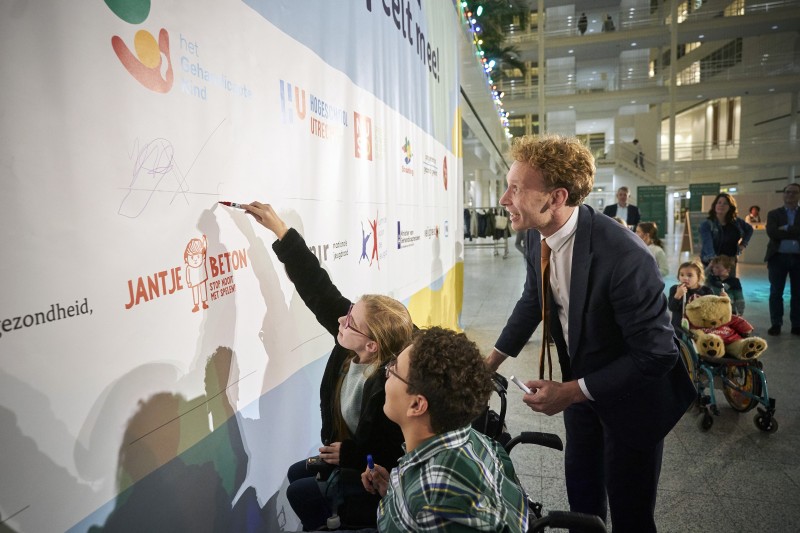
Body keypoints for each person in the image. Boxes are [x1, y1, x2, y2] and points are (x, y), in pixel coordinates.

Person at [484, 134, 695, 533]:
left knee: (631, 513)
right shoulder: (534, 234)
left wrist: (572, 391)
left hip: (634, 397)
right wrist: (489, 362)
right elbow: (534, 300)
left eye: (516, 188)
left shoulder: (624, 256)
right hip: (581, 390)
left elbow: (658, 353)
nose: (503, 199)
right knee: (583, 503)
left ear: (556, 197)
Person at [242, 202, 413, 531]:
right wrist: (280, 230)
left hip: (373, 477)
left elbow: (391, 455)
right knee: (297, 477)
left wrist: (351, 455)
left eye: (350, 320)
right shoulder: (350, 347)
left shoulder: (394, 386)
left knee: (301, 491)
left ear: (372, 345)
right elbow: (317, 287)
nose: (340, 319)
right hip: (346, 456)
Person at [362, 327, 529, 532]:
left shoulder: (436, 500)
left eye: (393, 370)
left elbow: (433, 502)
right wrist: (395, 490)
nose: (386, 374)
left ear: (416, 405)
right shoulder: (474, 439)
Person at [765, 183, 800, 336]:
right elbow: (772, 233)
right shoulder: (774, 214)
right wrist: (795, 231)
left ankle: (797, 324)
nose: (790, 195)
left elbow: (780, 232)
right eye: (787, 192)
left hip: (798, 259)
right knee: (775, 292)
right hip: (777, 258)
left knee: (798, 293)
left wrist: (785, 228)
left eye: (794, 193)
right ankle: (776, 324)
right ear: (783, 194)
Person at [698, 192, 753, 271]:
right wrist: (714, 260)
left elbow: (749, 229)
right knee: (712, 282)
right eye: (719, 203)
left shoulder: (736, 222)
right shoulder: (707, 224)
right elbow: (707, 243)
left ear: (730, 207)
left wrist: (743, 244)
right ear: (715, 205)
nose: (721, 205)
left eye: (725, 203)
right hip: (712, 261)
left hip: (730, 261)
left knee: (730, 282)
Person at [668, 261, 714, 331]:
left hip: (699, 328)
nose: (685, 278)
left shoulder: (706, 291)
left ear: (698, 277)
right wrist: (678, 295)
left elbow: (711, 310)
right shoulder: (675, 289)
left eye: (689, 275)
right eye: (682, 275)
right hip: (678, 327)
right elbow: (672, 307)